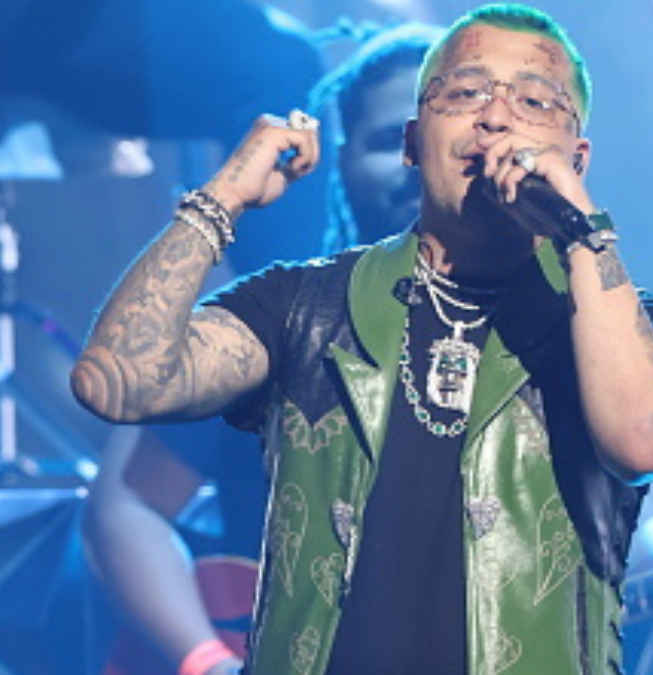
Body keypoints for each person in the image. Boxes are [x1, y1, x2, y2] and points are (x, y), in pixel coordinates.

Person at [70, 4, 653, 674]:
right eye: (462, 96)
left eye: (531, 103)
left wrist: (581, 229)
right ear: (406, 144)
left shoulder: (618, 324)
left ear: (576, 156)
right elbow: (118, 383)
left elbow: (645, 462)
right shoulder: (296, 310)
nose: (492, 120)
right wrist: (220, 199)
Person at [81, 23, 444, 675]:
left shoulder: (556, 331)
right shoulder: (283, 321)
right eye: (391, 141)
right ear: (341, 163)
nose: (417, 165)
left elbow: (626, 528)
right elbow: (126, 494)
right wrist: (206, 660)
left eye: (446, 140)